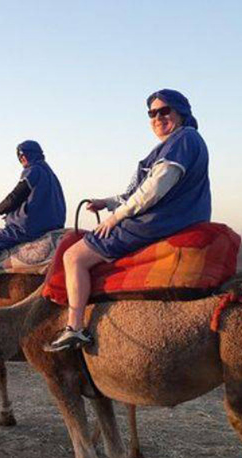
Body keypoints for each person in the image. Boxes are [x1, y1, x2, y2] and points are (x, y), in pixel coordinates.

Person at [48, 89, 211, 351]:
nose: (158, 117)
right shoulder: (179, 142)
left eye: (164, 111)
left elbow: (154, 189)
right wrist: (107, 202)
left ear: (181, 112)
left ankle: (75, 327)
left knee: (73, 257)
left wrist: (116, 217)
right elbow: (137, 191)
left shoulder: (183, 139)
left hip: (158, 221)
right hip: (174, 217)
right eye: (152, 113)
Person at [0, 140, 67, 291]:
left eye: (23, 155)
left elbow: (16, 195)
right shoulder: (50, 174)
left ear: (30, 155)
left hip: (31, 227)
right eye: (19, 156)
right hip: (53, 224)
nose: (21, 159)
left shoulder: (33, 171)